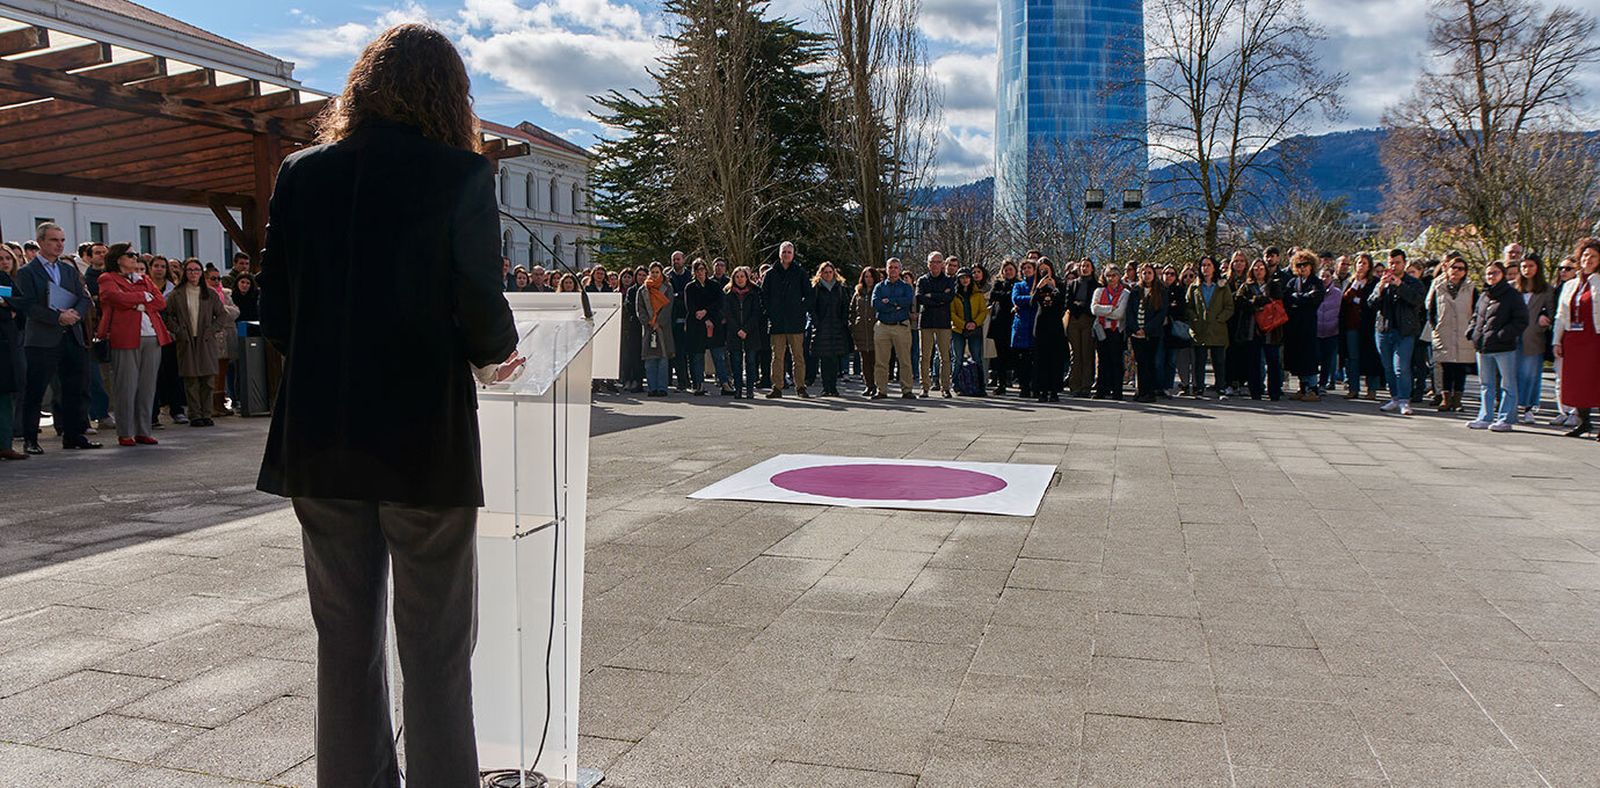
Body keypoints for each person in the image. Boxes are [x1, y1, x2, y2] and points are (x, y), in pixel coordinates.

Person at [254, 25, 527, 788]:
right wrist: (495, 355)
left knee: (343, 644)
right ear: (450, 95)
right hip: (422, 440)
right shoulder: (460, 175)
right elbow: (480, 303)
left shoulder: (299, 174)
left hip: (322, 436)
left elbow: (274, 314)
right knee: (436, 648)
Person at [11, 222, 98, 454]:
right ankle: (30, 439)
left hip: (71, 336)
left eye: (62, 240)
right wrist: (56, 318)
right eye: (53, 240)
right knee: (36, 390)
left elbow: (83, 297)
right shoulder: (26, 273)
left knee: (74, 388)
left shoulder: (69, 270)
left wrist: (75, 314)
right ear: (40, 242)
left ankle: (73, 434)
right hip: (42, 340)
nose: (59, 245)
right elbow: (26, 305)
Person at [95, 243, 171, 446]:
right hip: (126, 336)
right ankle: (126, 431)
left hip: (152, 336)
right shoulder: (107, 278)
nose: (135, 258)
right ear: (118, 258)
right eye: (130, 255)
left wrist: (137, 303)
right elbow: (113, 297)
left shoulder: (144, 278)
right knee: (126, 386)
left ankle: (143, 430)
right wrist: (141, 298)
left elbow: (160, 302)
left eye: (136, 255)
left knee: (147, 386)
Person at [1465, 261, 1529, 431]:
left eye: (1495, 273)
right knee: (1486, 384)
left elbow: (1521, 320)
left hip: (1504, 347)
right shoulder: (1484, 295)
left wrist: (1503, 334)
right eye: (1488, 273)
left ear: (1502, 274)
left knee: (1508, 384)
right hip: (1483, 345)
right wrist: (1472, 331)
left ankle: (1506, 418)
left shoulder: (1512, 295)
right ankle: (1485, 417)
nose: (1491, 276)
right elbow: (1476, 315)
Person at [162, 259, 227, 427]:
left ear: (201, 273)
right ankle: (194, 414)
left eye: (197, 270)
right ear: (185, 272)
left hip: (205, 340)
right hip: (187, 340)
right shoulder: (176, 294)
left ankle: (207, 413)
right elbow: (167, 315)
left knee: (207, 379)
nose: (193, 273)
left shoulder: (210, 294)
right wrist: (178, 330)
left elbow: (221, 315)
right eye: (190, 270)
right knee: (191, 379)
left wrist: (212, 330)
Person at [1554, 237, 1600, 439]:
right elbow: (1560, 315)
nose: (1588, 260)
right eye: (1586, 255)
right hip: (1573, 338)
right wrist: (1557, 340)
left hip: (1595, 337)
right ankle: (1584, 422)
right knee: (1576, 381)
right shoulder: (1570, 284)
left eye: (1594, 256)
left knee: (1596, 380)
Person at [1372, 249, 1426, 416]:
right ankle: (1394, 397)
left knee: (1401, 367)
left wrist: (1400, 285)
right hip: (1384, 329)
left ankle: (1404, 400)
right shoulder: (1383, 281)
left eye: (1397, 262)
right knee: (1388, 367)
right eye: (1391, 263)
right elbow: (1371, 303)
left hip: (1404, 331)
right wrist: (1381, 287)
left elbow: (1417, 301)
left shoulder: (1413, 283)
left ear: (1404, 263)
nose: (1393, 266)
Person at [1427, 256, 1476, 413]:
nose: (1456, 271)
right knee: (1446, 366)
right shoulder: (1438, 286)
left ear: (1465, 272)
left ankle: (1458, 400)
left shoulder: (1472, 288)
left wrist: (1472, 329)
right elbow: (1431, 309)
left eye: (1460, 268)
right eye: (1453, 267)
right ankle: (1446, 398)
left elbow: (1477, 310)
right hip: (1444, 331)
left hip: (1463, 332)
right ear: (1447, 269)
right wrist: (1436, 327)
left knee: (1460, 368)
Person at [764, 241, 809, 398]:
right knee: (777, 357)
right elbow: (764, 297)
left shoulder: (800, 272)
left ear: (793, 254)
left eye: (789, 252)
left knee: (798, 357)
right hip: (777, 323)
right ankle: (777, 387)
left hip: (795, 323)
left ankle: (801, 387)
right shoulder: (770, 274)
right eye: (784, 252)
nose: (786, 254)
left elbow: (809, 295)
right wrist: (771, 313)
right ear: (779, 254)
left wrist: (800, 311)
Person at [1234, 259, 1283, 400]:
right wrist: (1256, 302)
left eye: (1261, 268)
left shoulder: (1273, 285)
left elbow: (1276, 300)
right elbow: (1239, 301)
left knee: (1273, 361)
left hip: (1271, 329)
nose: (1259, 271)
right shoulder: (1246, 286)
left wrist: (1257, 301)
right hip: (1252, 329)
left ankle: (1274, 391)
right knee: (1254, 361)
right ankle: (1255, 390)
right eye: (1256, 269)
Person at [1281, 250, 1328, 401]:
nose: (1302, 268)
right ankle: (1302, 387)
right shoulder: (1293, 282)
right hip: (1294, 325)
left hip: (1308, 324)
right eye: (1299, 265)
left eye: (1305, 265)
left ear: (1311, 265)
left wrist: (1298, 298)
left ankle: (1313, 389)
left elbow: (1314, 298)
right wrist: (1300, 299)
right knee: (1298, 356)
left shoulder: (1316, 282)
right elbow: (1286, 298)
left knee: (1309, 356)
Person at [1513, 257, 1555, 423]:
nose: (1527, 269)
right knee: (1512, 373)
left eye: (1531, 266)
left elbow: (1552, 312)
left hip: (1534, 336)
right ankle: (1512, 405)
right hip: (1513, 336)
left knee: (1530, 373)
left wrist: (1544, 320)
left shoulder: (1546, 290)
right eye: (1523, 266)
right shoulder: (1512, 288)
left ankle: (1529, 407)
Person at [1188, 256, 1233, 399]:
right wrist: (1194, 318)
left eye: (1208, 265)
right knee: (1199, 361)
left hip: (1217, 329)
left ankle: (1221, 388)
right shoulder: (1194, 286)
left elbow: (1229, 307)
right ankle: (1199, 388)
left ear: (1214, 267)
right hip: (1200, 328)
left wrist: (1220, 318)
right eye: (1203, 265)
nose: (1205, 268)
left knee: (1219, 361)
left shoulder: (1222, 286)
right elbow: (1188, 306)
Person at [684, 259, 731, 396]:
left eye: (702, 269)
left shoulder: (715, 286)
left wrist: (707, 312)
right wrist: (703, 318)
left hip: (714, 324)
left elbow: (719, 303)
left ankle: (725, 383)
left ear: (706, 270)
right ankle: (698, 384)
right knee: (697, 356)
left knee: (718, 355)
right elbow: (691, 307)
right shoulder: (690, 287)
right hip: (697, 325)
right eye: (697, 270)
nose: (700, 272)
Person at [872, 257, 917, 399]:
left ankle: (907, 390)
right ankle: (881, 390)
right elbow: (876, 304)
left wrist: (889, 301)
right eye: (890, 267)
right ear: (886, 269)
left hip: (901, 327)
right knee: (881, 361)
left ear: (900, 269)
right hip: (882, 327)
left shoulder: (906, 287)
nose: (893, 270)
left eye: (896, 267)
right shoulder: (879, 287)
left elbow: (907, 301)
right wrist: (896, 305)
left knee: (904, 360)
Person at [915, 252, 956, 398]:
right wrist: (939, 298)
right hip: (926, 321)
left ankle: (945, 387)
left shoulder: (949, 281)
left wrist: (931, 295)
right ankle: (925, 387)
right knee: (925, 356)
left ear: (943, 264)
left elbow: (949, 297)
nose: (935, 265)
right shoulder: (922, 280)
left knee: (945, 356)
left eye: (938, 262)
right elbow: (920, 298)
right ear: (928, 264)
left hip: (943, 322)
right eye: (932, 262)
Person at [1342, 253, 1382, 399]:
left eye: (1364, 263)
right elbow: (1346, 299)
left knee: (1371, 356)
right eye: (1359, 262)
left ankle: (1372, 389)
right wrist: (1355, 284)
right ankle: (1353, 388)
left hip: (1369, 325)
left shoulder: (1374, 282)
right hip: (1352, 325)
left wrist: (1357, 300)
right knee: (1352, 357)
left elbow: (1371, 302)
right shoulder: (1351, 281)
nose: (1361, 265)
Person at [809, 261, 852, 397]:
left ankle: (833, 387)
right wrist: (817, 323)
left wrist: (842, 322)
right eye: (825, 272)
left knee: (834, 360)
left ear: (834, 273)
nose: (828, 274)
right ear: (820, 273)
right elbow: (812, 308)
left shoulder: (840, 288)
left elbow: (845, 306)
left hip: (836, 328)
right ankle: (825, 387)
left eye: (830, 272)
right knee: (824, 359)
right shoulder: (816, 288)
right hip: (822, 328)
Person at [724, 265, 765, 399]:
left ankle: (749, 389)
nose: (740, 279)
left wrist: (746, 329)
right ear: (733, 278)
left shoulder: (754, 293)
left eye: (742, 276)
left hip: (751, 332)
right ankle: (738, 389)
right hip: (734, 333)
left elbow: (756, 314)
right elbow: (728, 314)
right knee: (735, 362)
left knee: (751, 362)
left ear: (747, 278)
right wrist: (738, 330)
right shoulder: (728, 294)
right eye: (737, 277)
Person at [1127, 264, 1166, 403]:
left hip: (1152, 334)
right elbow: (1130, 312)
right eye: (1144, 273)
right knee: (1140, 363)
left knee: (1150, 362)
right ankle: (1140, 390)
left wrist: (1147, 329)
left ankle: (1149, 392)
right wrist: (1135, 328)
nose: (1147, 275)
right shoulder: (1135, 291)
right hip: (1136, 333)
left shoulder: (1160, 291)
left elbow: (1161, 314)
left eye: (1150, 272)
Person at [1091, 265, 1130, 400]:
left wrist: (1105, 311)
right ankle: (1101, 390)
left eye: (1114, 275)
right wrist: (1110, 308)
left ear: (1119, 276)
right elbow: (1094, 309)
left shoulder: (1125, 293)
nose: (1111, 278)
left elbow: (1120, 314)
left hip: (1116, 331)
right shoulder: (1099, 291)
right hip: (1102, 330)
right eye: (1108, 275)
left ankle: (1117, 391)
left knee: (1116, 361)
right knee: (1102, 361)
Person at [636, 262, 675, 397]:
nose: (654, 274)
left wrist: (659, 322)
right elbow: (639, 309)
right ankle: (652, 388)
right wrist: (647, 322)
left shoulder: (667, 288)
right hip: (648, 329)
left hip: (662, 328)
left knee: (663, 359)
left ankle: (662, 388)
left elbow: (668, 308)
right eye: (652, 272)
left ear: (661, 273)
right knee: (650, 359)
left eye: (657, 272)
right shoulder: (642, 290)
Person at [0, 243, 23, 459]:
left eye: (8, 258)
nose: (5, 262)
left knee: (4, 395)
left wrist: (6, 306)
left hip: (5, 345)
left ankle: (5, 443)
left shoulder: (5, 279)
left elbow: (19, 303)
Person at [1552, 256, 1582, 427]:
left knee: (1577, 377)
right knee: (1560, 377)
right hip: (1565, 337)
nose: (1563, 271)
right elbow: (1560, 316)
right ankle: (1563, 410)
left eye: (1568, 268)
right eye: (1561, 268)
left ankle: (1576, 412)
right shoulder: (1563, 288)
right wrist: (1556, 341)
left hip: (1582, 338)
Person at [950, 266, 988, 396]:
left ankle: (980, 385)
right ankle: (957, 384)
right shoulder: (954, 295)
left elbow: (983, 311)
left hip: (975, 329)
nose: (965, 280)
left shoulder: (978, 294)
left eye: (967, 277)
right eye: (962, 278)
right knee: (958, 358)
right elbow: (952, 313)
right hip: (958, 330)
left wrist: (975, 323)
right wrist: (963, 324)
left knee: (977, 357)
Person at [1064, 257, 1099, 396]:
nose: (1085, 268)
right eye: (1082, 266)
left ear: (1092, 268)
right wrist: (1077, 307)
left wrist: (1082, 306)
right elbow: (1068, 302)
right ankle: (1075, 386)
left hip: (1088, 320)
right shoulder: (1072, 284)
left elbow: (1093, 303)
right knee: (1075, 354)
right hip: (1074, 320)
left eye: (1087, 266)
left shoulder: (1096, 285)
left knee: (1087, 353)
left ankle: (1086, 386)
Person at [1031, 269, 1067, 402]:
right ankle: (1042, 390)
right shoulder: (1038, 288)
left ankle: (1054, 391)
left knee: (1055, 360)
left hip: (1055, 327)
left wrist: (1054, 287)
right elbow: (1032, 302)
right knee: (1041, 360)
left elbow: (1062, 303)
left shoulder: (1059, 287)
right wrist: (1039, 287)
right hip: (1041, 327)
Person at [988, 259, 1019, 395]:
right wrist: (1008, 295)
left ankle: (1013, 379)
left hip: (1013, 322)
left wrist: (1006, 296)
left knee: (1014, 353)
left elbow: (1013, 298)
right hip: (999, 323)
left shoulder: (1019, 284)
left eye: (1010, 269)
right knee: (1000, 355)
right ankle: (1001, 383)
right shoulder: (998, 283)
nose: (1008, 272)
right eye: (1006, 270)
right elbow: (994, 296)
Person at [849, 267, 880, 397]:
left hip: (875, 329)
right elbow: (852, 310)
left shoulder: (878, 291)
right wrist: (853, 324)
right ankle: (868, 385)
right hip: (861, 330)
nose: (869, 279)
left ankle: (877, 385)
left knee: (876, 360)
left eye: (871, 276)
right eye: (866, 277)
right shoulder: (858, 293)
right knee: (865, 360)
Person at [1010, 258, 1038, 399]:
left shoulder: (1038, 284)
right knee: (1021, 360)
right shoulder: (1018, 285)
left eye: (1029, 268)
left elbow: (1039, 299)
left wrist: (1030, 299)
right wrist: (1031, 299)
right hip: (1021, 326)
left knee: (1034, 359)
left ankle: (1034, 386)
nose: (1027, 270)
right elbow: (1016, 299)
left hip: (1034, 325)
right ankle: (1024, 387)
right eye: (1024, 268)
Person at [1164, 265, 1193, 396]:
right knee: (1175, 359)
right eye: (1185, 276)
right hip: (1168, 330)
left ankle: (1195, 385)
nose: (1188, 278)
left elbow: (1180, 309)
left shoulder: (1182, 291)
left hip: (1185, 329)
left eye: (1191, 276)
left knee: (1190, 359)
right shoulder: (1164, 290)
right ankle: (1183, 384)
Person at [1315, 266, 1343, 395]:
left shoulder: (1338, 294)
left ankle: (1323, 384)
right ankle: (1312, 384)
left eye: (1327, 276)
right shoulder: (1314, 291)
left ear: (1332, 277)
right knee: (1315, 358)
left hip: (1332, 331)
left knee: (1327, 360)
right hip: (1316, 331)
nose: (1324, 278)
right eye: (1322, 276)